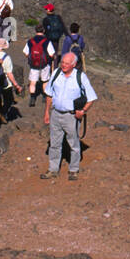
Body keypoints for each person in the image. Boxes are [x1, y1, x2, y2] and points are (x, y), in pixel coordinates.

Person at [41, 52, 97, 181]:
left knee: (74, 144)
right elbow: (49, 94)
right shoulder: (56, 74)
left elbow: (91, 97)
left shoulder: (80, 77)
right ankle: (53, 169)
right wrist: (46, 113)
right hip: (56, 113)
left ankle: (73, 170)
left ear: (74, 65)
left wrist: (82, 111)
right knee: (54, 143)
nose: (64, 65)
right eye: (62, 63)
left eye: (67, 63)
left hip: (71, 116)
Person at [0, 37, 21, 122]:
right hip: (5, 82)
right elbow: (9, 73)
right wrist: (16, 85)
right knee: (9, 100)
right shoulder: (6, 57)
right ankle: (3, 113)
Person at [23, 25, 54, 108]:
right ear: (43, 31)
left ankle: (32, 98)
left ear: (35, 30)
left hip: (33, 65)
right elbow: (51, 54)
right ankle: (44, 96)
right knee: (45, 81)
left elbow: (25, 53)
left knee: (33, 82)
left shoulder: (30, 41)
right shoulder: (47, 41)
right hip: (44, 64)